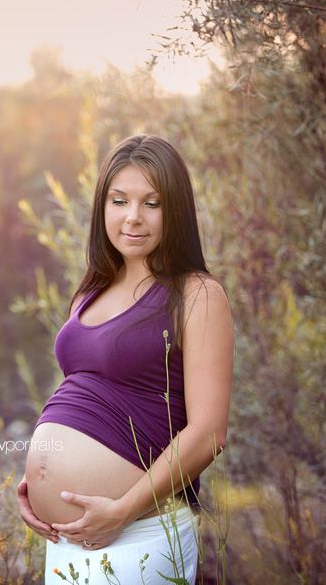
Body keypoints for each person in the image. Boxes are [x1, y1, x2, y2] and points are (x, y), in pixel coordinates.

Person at [17, 135, 233, 584]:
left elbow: (210, 433)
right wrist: (36, 487)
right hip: (69, 540)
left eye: (151, 203)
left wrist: (120, 511)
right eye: (119, 201)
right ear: (103, 208)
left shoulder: (197, 294)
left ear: (174, 210)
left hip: (140, 532)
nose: (133, 217)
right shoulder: (91, 291)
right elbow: (91, 394)